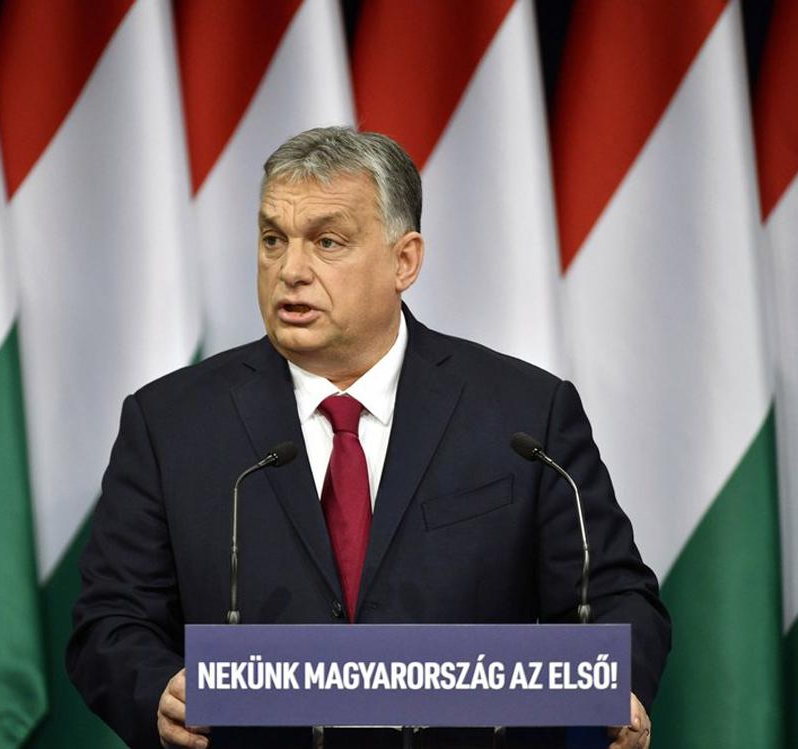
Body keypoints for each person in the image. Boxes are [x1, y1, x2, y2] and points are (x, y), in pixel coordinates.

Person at [67, 127, 670, 749]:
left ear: (403, 261)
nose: (290, 271)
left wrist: (618, 686)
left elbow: (614, 596)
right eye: (273, 240)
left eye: (327, 242)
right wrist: (156, 690)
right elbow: (112, 620)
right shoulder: (172, 422)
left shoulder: (523, 415)